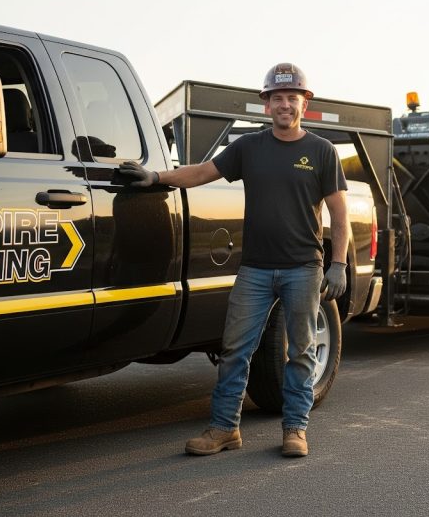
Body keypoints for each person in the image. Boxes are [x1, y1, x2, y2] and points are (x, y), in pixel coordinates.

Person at [118, 63, 349, 457]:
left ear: (304, 105)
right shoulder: (249, 148)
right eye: (278, 98)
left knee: (301, 353)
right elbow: (202, 173)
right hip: (256, 268)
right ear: (266, 105)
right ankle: (224, 428)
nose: (285, 105)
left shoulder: (321, 152)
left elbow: (340, 215)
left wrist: (339, 263)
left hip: (303, 269)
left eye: (293, 98)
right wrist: (156, 178)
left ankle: (295, 430)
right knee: (235, 350)